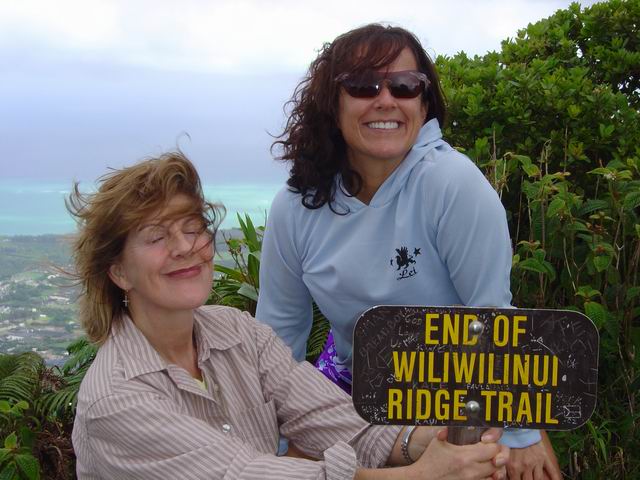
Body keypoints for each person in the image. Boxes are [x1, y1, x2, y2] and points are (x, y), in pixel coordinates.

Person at [68, 152, 509, 479]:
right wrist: (420, 475)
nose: (185, 247)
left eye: (192, 227)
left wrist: (428, 441)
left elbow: (334, 421)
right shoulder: (115, 399)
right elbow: (241, 474)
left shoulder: (238, 333)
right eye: (157, 236)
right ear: (119, 271)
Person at [256, 24, 562, 480]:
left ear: (423, 102)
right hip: (350, 382)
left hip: (455, 387)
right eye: (362, 85)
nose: (385, 100)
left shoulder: (452, 184)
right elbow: (277, 337)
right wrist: (270, 443)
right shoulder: (296, 206)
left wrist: (522, 434)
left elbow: (491, 314)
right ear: (331, 103)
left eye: (404, 86)